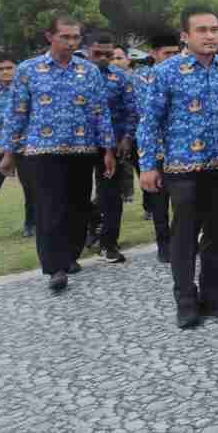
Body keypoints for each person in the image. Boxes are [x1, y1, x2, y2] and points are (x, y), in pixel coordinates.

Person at [138, 6, 218, 329]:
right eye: (202, 30)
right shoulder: (166, 72)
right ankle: (185, 299)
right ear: (185, 36)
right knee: (184, 236)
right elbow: (149, 122)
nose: (210, 36)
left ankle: (214, 296)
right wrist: (148, 165)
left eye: (214, 29)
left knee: (217, 235)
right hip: (183, 169)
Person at [0, 16, 116, 292]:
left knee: (78, 207)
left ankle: (69, 256)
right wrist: (8, 153)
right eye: (65, 37)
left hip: (82, 150)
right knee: (50, 208)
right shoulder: (29, 70)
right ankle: (55, 268)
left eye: (76, 37)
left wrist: (108, 150)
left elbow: (101, 113)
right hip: (42, 152)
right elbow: (16, 114)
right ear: (49, 36)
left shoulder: (88, 71)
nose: (72, 42)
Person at [84, 31, 138, 263]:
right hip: (79, 145)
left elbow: (132, 110)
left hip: (112, 145)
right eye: (98, 53)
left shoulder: (120, 77)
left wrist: (127, 137)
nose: (103, 58)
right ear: (87, 51)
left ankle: (109, 244)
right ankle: (85, 231)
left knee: (112, 197)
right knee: (74, 196)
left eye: (108, 54)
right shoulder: (76, 75)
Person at [132, 33, 181, 262]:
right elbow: (148, 115)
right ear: (154, 54)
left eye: (175, 53)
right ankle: (164, 244)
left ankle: (179, 241)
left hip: (180, 151)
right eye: (166, 53)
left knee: (183, 203)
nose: (171, 57)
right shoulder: (143, 78)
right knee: (159, 202)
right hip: (156, 148)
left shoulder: (183, 73)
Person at [0, 55, 19, 217]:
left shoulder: (28, 90)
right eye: (0, 69)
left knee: (33, 189)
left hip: (27, 146)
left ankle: (31, 224)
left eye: (9, 68)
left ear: (16, 68)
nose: (5, 72)